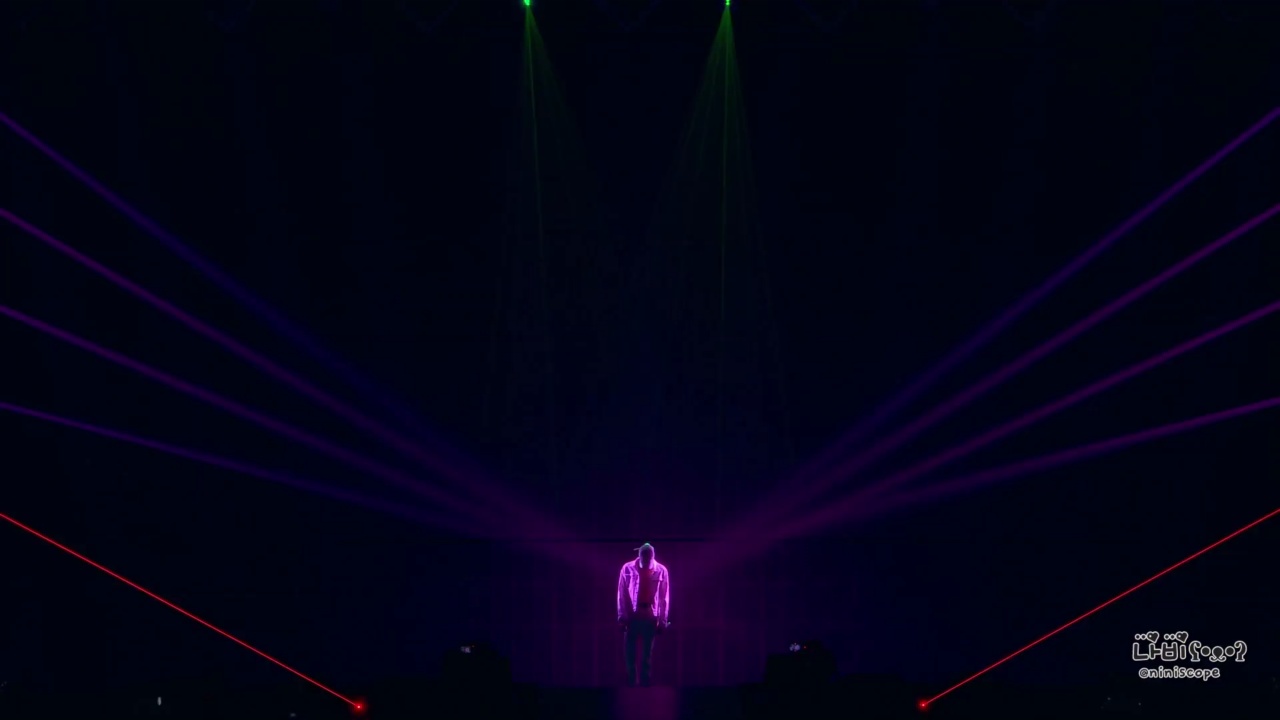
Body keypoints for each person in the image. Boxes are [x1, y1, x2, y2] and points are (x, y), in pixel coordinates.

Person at [616, 542, 670, 686]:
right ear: (639, 556)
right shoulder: (627, 569)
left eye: (648, 559)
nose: (646, 562)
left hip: (650, 615)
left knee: (647, 655)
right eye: (644, 559)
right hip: (632, 616)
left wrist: (662, 621)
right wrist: (622, 617)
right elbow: (622, 593)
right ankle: (632, 684)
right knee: (630, 654)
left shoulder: (661, 570)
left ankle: (645, 686)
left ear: (652, 557)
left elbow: (664, 597)